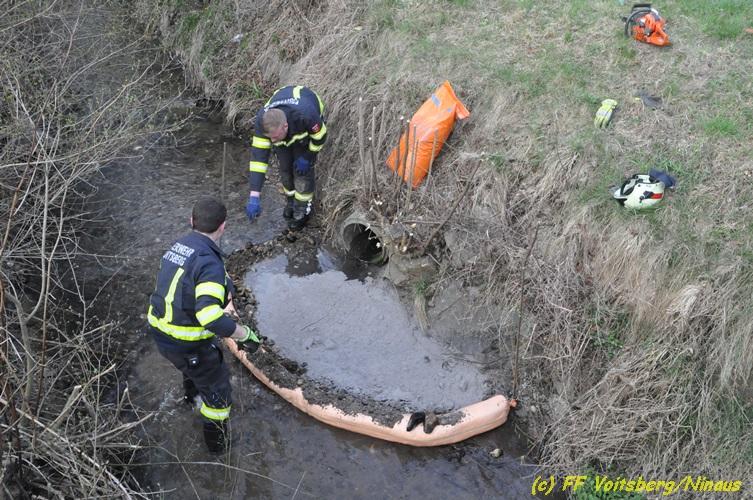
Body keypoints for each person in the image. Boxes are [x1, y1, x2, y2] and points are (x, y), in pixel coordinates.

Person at [146, 197, 260, 453]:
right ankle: (218, 449)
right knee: (218, 394)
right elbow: (210, 318)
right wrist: (244, 335)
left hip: (160, 331)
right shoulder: (209, 264)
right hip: (186, 342)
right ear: (223, 226)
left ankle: (192, 400)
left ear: (191, 221)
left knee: (192, 370)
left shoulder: (178, 246)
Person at [246, 85, 327, 231]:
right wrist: (254, 195)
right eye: (270, 138)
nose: (272, 141)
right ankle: (291, 201)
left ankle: (302, 209)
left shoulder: (306, 115)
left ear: (285, 126)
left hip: (303, 127)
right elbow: (258, 159)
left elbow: (320, 137)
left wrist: (308, 156)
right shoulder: (262, 123)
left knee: (302, 173)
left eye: (275, 137)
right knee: (285, 169)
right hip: (285, 127)